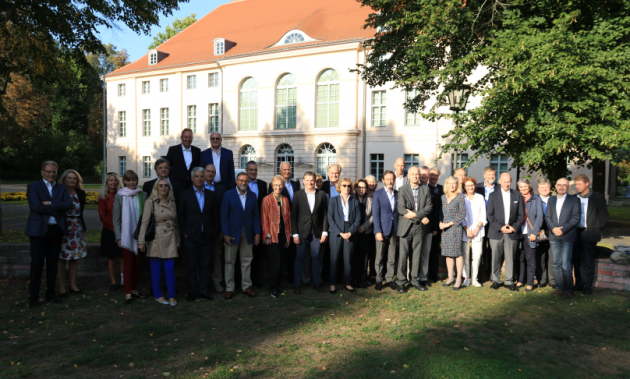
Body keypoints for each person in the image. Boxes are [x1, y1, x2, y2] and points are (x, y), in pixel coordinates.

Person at [25, 161, 73, 307]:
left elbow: (68, 205)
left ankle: (50, 294)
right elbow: (36, 206)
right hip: (38, 231)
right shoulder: (33, 186)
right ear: (42, 172)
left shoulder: (62, 187)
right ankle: (33, 297)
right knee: (37, 265)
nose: (51, 174)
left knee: (53, 265)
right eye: (48, 171)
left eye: (54, 172)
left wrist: (50, 203)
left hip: (56, 230)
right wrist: (57, 206)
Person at [178, 167, 219, 302]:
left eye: (202, 176)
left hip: (207, 236)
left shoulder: (211, 195)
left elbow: (215, 216)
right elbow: (181, 216)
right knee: (191, 266)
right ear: (192, 178)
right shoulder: (185, 194)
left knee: (205, 265)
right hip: (191, 236)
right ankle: (191, 292)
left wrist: (213, 232)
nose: (200, 178)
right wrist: (184, 233)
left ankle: (203, 291)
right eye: (197, 176)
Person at [138, 178, 180, 306]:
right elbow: (144, 222)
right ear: (156, 187)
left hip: (171, 238)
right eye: (160, 185)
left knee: (170, 268)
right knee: (156, 270)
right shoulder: (151, 201)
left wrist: (178, 240)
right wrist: (141, 241)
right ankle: (158, 295)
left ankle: (171, 295)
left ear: (169, 188)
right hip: (156, 238)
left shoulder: (172, 202)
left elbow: (176, 223)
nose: (163, 188)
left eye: (166, 186)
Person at [221, 172, 261, 299]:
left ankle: (246, 286)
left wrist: (257, 232)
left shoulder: (252, 196)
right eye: (241, 180)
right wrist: (225, 234)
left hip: (248, 233)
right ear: (236, 181)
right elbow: (224, 216)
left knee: (247, 260)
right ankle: (230, 288)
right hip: (232, 233)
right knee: (229, 261)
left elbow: (256, 215)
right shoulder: (228, 195)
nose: (244, 183)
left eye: (246, 181)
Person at [113, 170, 149, 304]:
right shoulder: (119, 196)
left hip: (140, 235)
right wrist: (118, 237)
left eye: (134, 180)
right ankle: (128, 293)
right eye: (129, 180)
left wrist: (144, 237)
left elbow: (146, 217)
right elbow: (116, 219)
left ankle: (134, 289)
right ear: (125, 182)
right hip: (126, 236)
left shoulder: (143, 195)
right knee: (128, 265)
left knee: (137, 265)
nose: (132, 182)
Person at [396, 166, 433, 293]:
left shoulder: (425, 189)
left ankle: (414, 280)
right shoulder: (402, 189)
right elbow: (401, 209)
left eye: (417, 174)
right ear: (409, 176)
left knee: (416, 255)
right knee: (403, 256)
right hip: (405, 227)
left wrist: (416, 215)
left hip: (419, 228)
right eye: (413, 174)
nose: (416, 176)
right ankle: (400, 281)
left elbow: (429, 207)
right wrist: (418, 216)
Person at [292, 171, 328, 293]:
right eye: (307, 180)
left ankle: (317, 283)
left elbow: (325, 215)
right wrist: (295, 234)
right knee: (300, 257)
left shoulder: (322, 194)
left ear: (314, 180)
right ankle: (297, 284)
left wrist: (324, 232)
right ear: (303, 181)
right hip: (301, 232)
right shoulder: (298, 195)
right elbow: (294, 216)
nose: (310, 183)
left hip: (317, 232)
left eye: (312, 180)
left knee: (316, 257)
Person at [487, 173, 524, 292]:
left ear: (511, 182)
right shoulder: (493, 196)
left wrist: (514, 227)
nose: (507, 184)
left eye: (508, 181)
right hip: (496, 231)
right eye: (504, 181)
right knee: (495, 257)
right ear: (500, 181)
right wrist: (500, 227)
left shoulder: (517, 195)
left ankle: (509, 281)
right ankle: (496, 280)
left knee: (510, 257)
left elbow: (521, 215)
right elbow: (490, 215)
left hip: (512, 232)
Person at [572, 174, 609, 295]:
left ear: (587, 184)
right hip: (575, 233)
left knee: (588, 261)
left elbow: (604, 217)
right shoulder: (573, 197)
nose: (577, 186)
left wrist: (596, 228)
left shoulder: (597, 198)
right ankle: (578, 284)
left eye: (579, 184)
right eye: (576, 184)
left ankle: (588, 286)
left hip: (589, 233)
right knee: (577, 261)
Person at [545, 178, 581, 300]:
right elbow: (548, 217)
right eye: (559, 185)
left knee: (566, 264)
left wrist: (563, 229)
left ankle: (567, 289)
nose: (561, 187)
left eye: (564, 185)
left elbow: (576, 218)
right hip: (553, 235)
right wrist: (553, 228)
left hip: (567, 236)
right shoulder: (551, 200)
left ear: (568, 187)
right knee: (556, 264)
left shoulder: (574, 200)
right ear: (555, 186)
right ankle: (559, 288)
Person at [268, 162, 301, 284]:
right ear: (280, 170)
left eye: (289, 169)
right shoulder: (276, 185)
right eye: (285, 169)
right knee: (280, 254)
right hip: (280, 224)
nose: (287, 171)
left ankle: (291, 278)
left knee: (292, 252)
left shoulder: (295, 184)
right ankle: (279, 279)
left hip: (294, 223)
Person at [327, 177, 361, 294]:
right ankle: (332, 284)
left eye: (348, 186)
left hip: (350, 231)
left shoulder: (355, 201)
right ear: (339, 187)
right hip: (336, 233)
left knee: (348, 259)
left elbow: (358, 219)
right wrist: (341, 233)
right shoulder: (333, 200)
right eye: (344, 185)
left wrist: (350, 232)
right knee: (334, 259)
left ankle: (348, 283)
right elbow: (330, 219)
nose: (346, 188)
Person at [57, 169, 88, 296]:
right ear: (64, 179)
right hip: (63, 228)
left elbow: (81, 211)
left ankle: (73, 285)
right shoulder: (58, 192)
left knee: (74, 258)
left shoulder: (80, 193)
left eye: (74, 178)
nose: (72, 180)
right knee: (62, 258)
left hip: (77, 228)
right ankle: (62, 286)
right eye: (69, 178)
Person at [262, 175, 292, 298]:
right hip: (272, 236)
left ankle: (277, 286)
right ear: (272, 186)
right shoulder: (266, 200)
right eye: (276, 185)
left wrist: (288, 236)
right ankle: (273, 288)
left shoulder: (285, 200)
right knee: (276, 262)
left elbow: (288, 219)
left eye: (280, 184)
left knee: (281, 262)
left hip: (283, 236)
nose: (278, 187)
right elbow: (264, 219)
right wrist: (267, 236)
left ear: (283, 186)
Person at [514, 178, 544, 292]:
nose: (523, 188)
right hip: (518, 231)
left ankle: (530, 283)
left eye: (525, 186)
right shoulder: (517, 198)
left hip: (530, 232)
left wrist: (534, 233)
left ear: (529, 186)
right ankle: (520, 280)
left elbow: (539, 217)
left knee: (530, 258)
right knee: (520, 258)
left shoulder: (536, 198)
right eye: (521, 187)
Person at [372, 170, 398, 290]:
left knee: (392, 257)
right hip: (382, 230)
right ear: (382, 180)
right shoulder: (378, 194)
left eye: (391, 179)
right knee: (380, 257)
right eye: (387, 179)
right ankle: (379, 280)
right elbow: (375, 214)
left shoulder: (398, 194)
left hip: (394, 229)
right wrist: (377, 231)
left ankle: (389, 279)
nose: (389, 181)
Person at [439, 176, 467, 290]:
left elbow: (462, 214)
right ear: (446, 184)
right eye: (449, 183)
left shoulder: (460, 197)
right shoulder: (442, 197)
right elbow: (439, 212)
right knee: (448, 253)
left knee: (457, 253)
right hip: (445, 230)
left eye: (454, 184)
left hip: (455, 228)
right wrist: (440, 222)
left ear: (457, 185)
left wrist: (449, 223)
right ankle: (450, 277)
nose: (452, 186)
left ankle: (459, 278)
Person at [98, 173, 124, 292]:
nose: (113, 182)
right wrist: (114, 227)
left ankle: (124, 280)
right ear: (107, 182)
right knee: (111, 257)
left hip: (123, 229)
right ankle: (113, 282)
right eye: (111, 180)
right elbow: (103, 216)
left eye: (115, 180)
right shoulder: (103, 196)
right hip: (109, 230)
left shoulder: (123, 195)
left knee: (123, 256)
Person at [204, 164, 227, 292]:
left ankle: (217, 281)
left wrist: (221, 229)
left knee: (217, 257)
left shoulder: (221, 189)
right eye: (208, 171)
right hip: (202, 229)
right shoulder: (198, 187)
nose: (210, 174)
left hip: (217, 229)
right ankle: (203, 281)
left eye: (213, 172)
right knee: (203, 257)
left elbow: (223, 210)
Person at [475, 166, 499, 284]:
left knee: (493, 249)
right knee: (481, 248)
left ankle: (490, 273)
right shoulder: (477, 187)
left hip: (495, 223)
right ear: (484, 175)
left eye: (493, 175)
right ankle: (479, 275)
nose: (491, 177)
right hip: (481, 222)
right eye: (489, 175)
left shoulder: (499, 188)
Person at [246, 161, 268, 288]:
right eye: (251, 170)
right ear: (246, 170)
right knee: (244, 255)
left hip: (258, 223)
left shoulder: (262, 185)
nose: (253, 172)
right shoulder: (241, 183)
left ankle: (254, 280)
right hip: (245, 224)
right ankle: (243, 281)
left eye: (255, 170)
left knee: (257, 254)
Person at [461, 177, 487, 288]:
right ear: (464, 187)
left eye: (472, 185)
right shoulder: (461, 198)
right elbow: (460, 215)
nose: (470, 187)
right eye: (468, 185)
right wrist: (466, 229)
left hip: (478, 230)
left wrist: (476, 228)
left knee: (477, 256)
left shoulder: (480, 197)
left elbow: (483, 215)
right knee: (465, 256)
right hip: (465, 231)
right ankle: (466, 278)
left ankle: (475, 278)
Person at [352, 179, 373, 288]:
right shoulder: (351, 199)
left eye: (363, 187)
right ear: (355, 188)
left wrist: (364, 226)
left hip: (365, 233)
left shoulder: (370, 200)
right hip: (353, 233)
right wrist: (355, 228)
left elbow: (373, 216)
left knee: (364, 258)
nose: (361, 189)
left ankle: (362, 281)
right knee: (353, 257)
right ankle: (352, 280)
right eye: (359, 187)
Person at [535, 179, 555, 289]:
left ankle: (552, 280)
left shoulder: (555, 200)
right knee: (540, 257)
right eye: (542, 187)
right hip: (539, 231)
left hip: (552, 232)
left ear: (550, 188)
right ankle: (542, 280)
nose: (544, 189)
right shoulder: (535, 200)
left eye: (546, 187)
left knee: (552, 257)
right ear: (538, 189)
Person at [427, 167, 444, 283]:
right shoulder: (423, 188)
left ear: (438, 176)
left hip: (436, 227)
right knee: (424, 252)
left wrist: (437, 227)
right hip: (424, 226)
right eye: (432, 175)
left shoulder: (442, 189)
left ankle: (433, 274)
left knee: (434, 251)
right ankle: (423, 274)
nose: (433, 177)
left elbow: (441, 210)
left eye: (436, 175)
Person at [364, 175, 378, 284]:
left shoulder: (378, 194)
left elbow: (376, 214)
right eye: (369, 182)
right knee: (365, 255)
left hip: (375, 230)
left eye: (373, 181)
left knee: (374, 255)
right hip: (363, 231)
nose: (371, 183)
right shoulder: (362, 195)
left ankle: (372, 276)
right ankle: (363, 276)